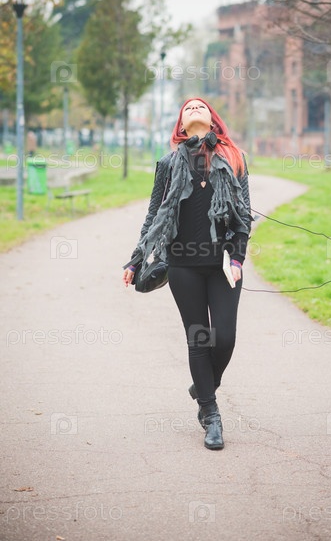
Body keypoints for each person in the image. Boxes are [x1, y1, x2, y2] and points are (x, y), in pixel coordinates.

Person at [122, 97, 252, 450]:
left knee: (224, 338)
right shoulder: (168, 163)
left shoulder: (234, 158)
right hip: (182, 265)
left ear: (213, 120)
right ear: (181, 124)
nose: (194, 108)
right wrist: (135, 260)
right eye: (188, 107)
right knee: (199, 339)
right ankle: (210, 414)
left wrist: (238, 259)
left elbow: (244, 215)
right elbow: (154, 214)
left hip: (223, 264)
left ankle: (204, 385)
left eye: (201, 106)